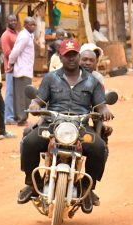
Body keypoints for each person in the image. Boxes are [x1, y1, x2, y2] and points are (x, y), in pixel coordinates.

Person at [18, 39, 113, 212]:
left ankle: (87, 187)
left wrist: (105, 110)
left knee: (100, 148)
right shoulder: (50, 78)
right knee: (29, 142)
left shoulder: (92, 81)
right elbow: (39, 100)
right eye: (67, 55)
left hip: (80, 126)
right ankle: (33, 183)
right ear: (60, 57)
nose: (71, 59)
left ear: (78, 55)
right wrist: (34, 106)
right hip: (52, 124)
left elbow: (101, 105)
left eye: (74, 55)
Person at [9, 17, 36, 127]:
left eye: (34, 25)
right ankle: (21, 119)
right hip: (22, 70)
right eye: (30, 25)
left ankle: (22, 117)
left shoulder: (30, 35)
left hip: (27, 70)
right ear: (25, 25)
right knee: (22, 96)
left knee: (26, 96)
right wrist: (10, 62)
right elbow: (15, 51)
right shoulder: (24, 36)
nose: (33, 27)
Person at [1, 14, 18, 126]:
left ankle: (14, 115)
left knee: (16, 94)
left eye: (14, 20)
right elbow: (7, 53)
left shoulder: (17, 33)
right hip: (10, 68)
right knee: (10, 94)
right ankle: (8, 117)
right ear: (7, 22)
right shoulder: (5, 35)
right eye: (10, 20)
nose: (13, 22)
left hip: (18, 69)